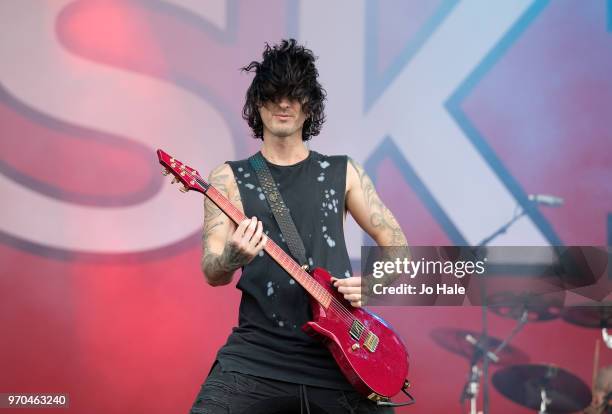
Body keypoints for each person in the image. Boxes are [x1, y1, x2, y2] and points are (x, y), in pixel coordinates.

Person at [189, 39, 408, 414]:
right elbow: (212, 271)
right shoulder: (227, 179)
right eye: (274, 94)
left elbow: (398, 247)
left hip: (342, 358)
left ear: (310, 106)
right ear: (258, 103)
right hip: (258, 357)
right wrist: (232, 255)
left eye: (294, 95)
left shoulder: (344, 172)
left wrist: (372, 284)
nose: (284, 104)